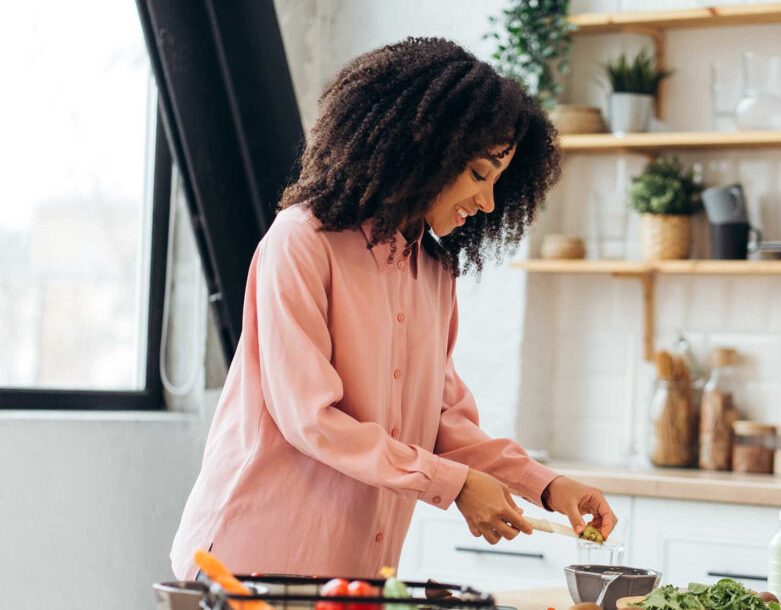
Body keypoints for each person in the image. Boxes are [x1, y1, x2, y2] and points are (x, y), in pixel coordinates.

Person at [170, 37, 617, 581]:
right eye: (479, 174)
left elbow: (443, 422)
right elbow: (311, 419)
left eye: (499, 182)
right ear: (424, 149)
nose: (489, 202)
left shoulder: (434, 273)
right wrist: (451, 485)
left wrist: (547, 486)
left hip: (357, 570)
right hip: (248, 562)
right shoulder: (302, 243)